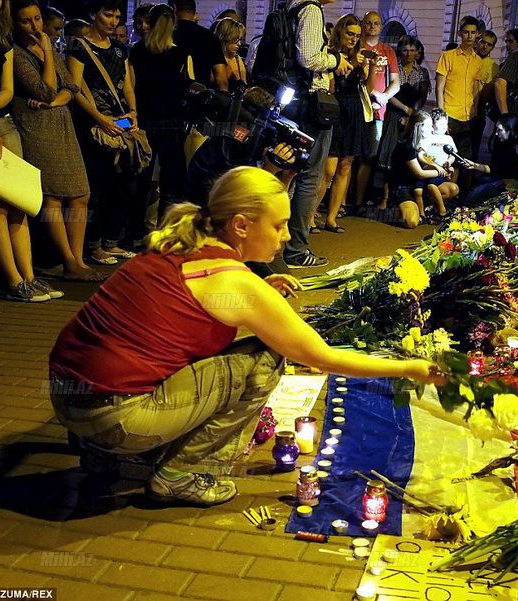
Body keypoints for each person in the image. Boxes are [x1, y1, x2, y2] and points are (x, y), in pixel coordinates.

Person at [48, 166, 444, 505]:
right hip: (115, 419)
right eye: (278, 224)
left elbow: (177, 316)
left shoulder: (176, 244)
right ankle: (181, 476)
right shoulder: (233, 280)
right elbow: (322, 357)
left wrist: (260, 290)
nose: (287, 235)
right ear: (240, 225)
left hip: (68, 399)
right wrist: (408, 367)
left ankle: (97, 453)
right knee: (265, 358)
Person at [11, 0, 101, 282]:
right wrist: (49, 53)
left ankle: (76, 259)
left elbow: (70, 87)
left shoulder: (48, 48)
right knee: (52, 196)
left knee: (80, 194)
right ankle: (68, 261)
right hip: (36, 127)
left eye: (38, 19)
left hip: (59, 122)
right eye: (27, 21)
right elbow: (46, 88)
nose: (35, 26)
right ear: (15, 24)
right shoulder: (16, 53)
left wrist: (53, 102)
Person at [0, 0, 62, 301]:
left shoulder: (1, 38)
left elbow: (6, 90)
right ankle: (14, 280)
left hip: (1, 121)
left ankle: (29, 276)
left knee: (19, 200)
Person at [67, 0, 141, 263]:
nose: (113, 21)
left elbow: (127, 85)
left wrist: (132, 112)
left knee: (125, 182)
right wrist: (100, 118)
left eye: (117, 16)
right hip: (92, 123)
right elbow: (75, 88)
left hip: (119, 119)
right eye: (107, 15)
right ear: (93, 15)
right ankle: (93, 244)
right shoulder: (79, 46)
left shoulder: (120, 49)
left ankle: (111, 240)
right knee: (96, 185)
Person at [281, 0, 352, 269]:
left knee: (288, 173)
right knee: (309, 177)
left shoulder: (291, 8)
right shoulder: (311, 10)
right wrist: (335, 60)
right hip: (310, 105)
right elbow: (309, 57)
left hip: (293, 102)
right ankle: (296, 249)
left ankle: (278, 244)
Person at [129, 3, 193, 222]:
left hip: (144, 120)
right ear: (173, 25)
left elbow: (130, 85)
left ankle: (134, 232)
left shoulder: (136, 51)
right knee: (171, 181)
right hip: (171, 122)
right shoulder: (180, 54)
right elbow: (189, 88)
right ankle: (165, 229)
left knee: (141, 181)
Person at [314, 14, 374, 234]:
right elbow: (330, 87)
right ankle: (309, 216)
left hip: (354, 109)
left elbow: (368, 88)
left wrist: (371, 67)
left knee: (346, 165)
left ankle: (331, 218)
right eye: (350, 33)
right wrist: (350, 65)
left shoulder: (357, 55)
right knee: (328, 169)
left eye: (357, 35)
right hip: (335, 109)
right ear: (340, 31)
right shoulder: (329, 55)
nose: (353, 38)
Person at [352, 11, 399, 210]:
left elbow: (396, 82)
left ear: (381, 27)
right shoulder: (356, 47)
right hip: (356, 106)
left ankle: (359, 200)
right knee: (349, 156)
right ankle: (344, 198)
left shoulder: (387, 51)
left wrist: (383, 97)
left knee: (369, 156)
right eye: (368, 23)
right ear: (363, 24)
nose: (372, 27)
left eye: (376, 23)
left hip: (378, 111)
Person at [375, 34, 429, 204]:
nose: (408, 53)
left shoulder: (421, 72)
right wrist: (405, 109)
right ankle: (384, 197)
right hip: (393, 112)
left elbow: (422, 97)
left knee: (407, 155)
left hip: (412, 117)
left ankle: (403, 194)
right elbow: (388, 93)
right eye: (405, 50)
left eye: (412, 50)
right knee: (388, 155)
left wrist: (412, 115)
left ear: (417, 53)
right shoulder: (393, 68)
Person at [389, 111, 456, 228]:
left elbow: (429, 164)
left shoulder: (424, 142)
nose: (432, 129)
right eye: (429, 126)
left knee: (452, 189)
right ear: (418, 127)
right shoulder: (407, 146)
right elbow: (420, 173)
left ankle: (422, 207)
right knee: (411, 222)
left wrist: (446, 166)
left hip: (420, 184)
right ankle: (397, 208)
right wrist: (442, 172)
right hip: (404, 187)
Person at [435, 16, 484, 164]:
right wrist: (441, 115)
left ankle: (460, 187)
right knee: (444, 158)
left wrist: (475, 111)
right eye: (466, 32)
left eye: (473, 32)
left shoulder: (478, 61)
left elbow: (476, 89)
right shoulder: (448, 56)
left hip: (469, 116)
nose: (469, 36)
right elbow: (439, 87)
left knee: (464, 160)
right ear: (459, 33)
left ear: (477, 34)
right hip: (450, 113)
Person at [168, 0, 226, 91]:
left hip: (171, 96)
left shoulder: (167, 36)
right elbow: (221, 79)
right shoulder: (210, 37)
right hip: (200, 97)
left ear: (174, 8)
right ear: (194, 11)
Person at [467, 114, 518, 202]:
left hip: (515, 184)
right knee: (479, 181)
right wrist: (475, 165)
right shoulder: (501, 144)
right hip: (502, 178)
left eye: (500, 130)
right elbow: (495, 168)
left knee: (477, 192)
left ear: (510, 130)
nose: (496, 133)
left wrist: (511, 181)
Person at [471, 29, 498, 162]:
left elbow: (486, 95)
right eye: (482, 42)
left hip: (477, 115)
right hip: (458, 111)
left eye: (489, 44)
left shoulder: (493, 67)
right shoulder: (468, 58)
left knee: (473, 152)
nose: (485, 46)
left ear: (493, 47)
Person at [213, 17, 246, 93]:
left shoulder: (238, 59)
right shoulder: (214, 60)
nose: (239, 44)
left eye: (240, 39)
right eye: (236, 40)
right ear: (225, 38)